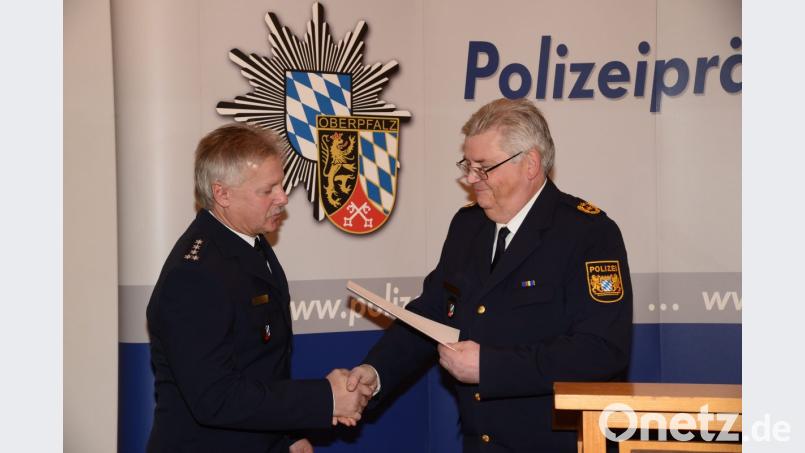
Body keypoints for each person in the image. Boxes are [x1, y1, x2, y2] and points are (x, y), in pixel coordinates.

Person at [347, 98, 633, 452]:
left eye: (483, 167)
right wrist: (374, 373)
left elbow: (601, 351)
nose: (470, 179)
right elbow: (431, 315)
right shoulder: (467, 226)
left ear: (530, 164)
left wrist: (491, 367)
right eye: (467, 166)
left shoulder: (587, 233)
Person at [146, 123, 371, 453]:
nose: (283, 198)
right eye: (268, 190)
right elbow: (215, 397)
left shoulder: (249, 243)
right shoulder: (195, 275)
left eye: (281, 183)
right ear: (222, 194)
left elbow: (261, 367)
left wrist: (288, 436)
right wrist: (325, 398)